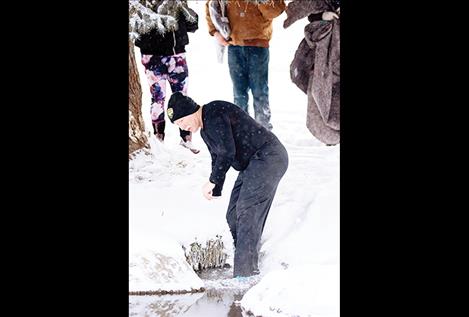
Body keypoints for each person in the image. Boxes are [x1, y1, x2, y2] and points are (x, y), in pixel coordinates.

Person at [167, 91, 289, 277]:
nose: (183, 127)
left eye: (182, 121)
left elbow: (226, 152)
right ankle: (249, 258)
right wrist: (216, 187)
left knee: (246, 210)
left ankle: (245, 274)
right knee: (233, 215)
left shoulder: (213, 112)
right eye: (178, 125)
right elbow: (217, 156)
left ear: (190, 111)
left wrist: (213, 180)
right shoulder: (206, 127)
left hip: (268, 156)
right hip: (253, 163)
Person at [205, 0, 286, 130]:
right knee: (239, 93)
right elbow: (211, 6)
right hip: (234, 46)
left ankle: (263, 130)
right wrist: (216, 32)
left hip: (258, 46)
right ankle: (241, 129)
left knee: (259, 91)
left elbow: (275, 11)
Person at [135, 0, 200, 153]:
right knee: (158, 99)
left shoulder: (176, 3)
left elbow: (193, 24)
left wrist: (183, 11)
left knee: (180, 97)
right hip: (153, 57)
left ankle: (185, 138)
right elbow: (136, 32)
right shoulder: (141, 5)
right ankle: (159, 138)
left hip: (175, 55)